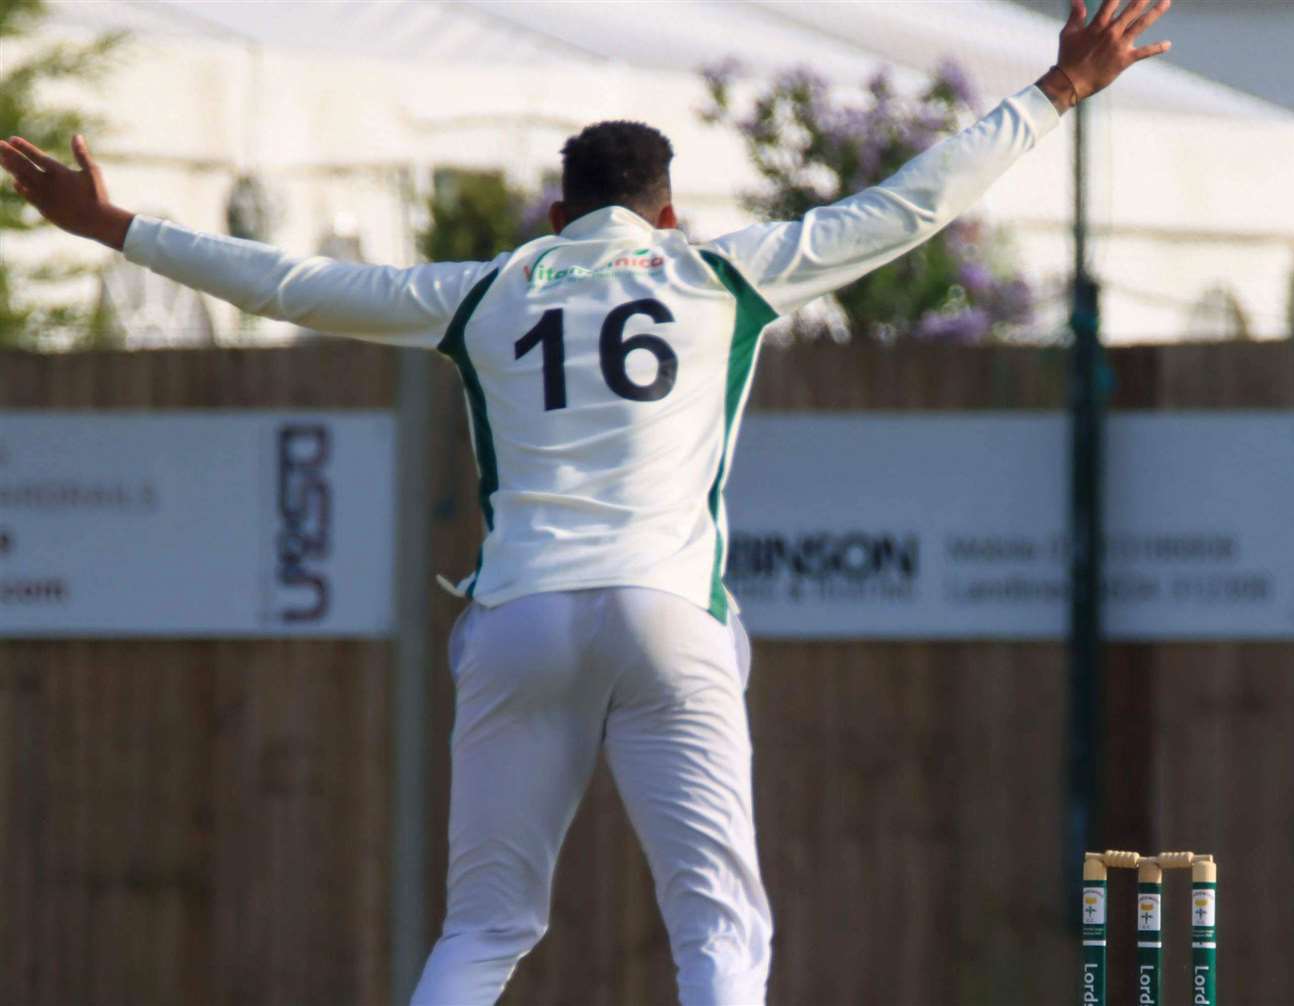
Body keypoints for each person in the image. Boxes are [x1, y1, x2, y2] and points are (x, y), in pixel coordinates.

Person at [0, 2, 1174, 1002]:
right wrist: (1064, 84)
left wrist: (117, 227)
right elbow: (913, 204)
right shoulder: (718, 271)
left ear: (556, 219)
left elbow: (292, 285)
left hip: (521, 617)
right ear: (666, 213)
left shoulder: (484, 289)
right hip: (670, 616)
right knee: (719, 928)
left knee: (486, 926)